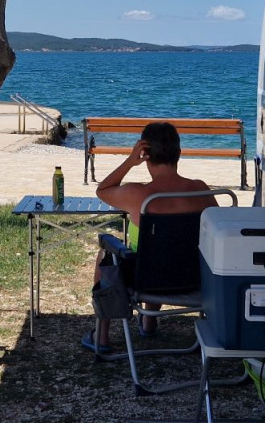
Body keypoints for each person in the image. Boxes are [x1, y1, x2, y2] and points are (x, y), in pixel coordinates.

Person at [83, 121, 215, 354]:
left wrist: (129, 162)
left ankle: (101, 337)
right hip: (194, 277)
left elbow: (102, 190)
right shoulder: (201, 190)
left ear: (145, 155)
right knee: (167, 249)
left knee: (107, 255)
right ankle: (149, 322)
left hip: (147, 279)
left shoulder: (139, 194)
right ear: (179, 153)